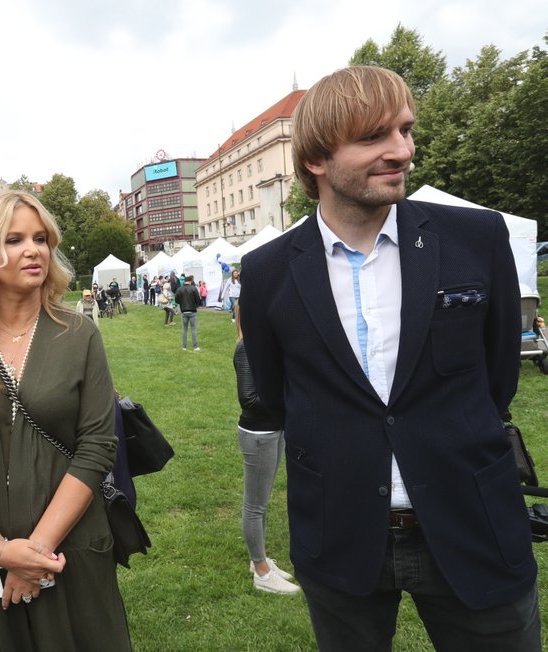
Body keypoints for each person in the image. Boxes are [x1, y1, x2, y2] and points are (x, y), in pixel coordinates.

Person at [240, 66, 539, 650]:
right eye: (375, 137)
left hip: (472, 523)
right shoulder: (268, 271)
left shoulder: (476, 238)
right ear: (317, 161)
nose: (401, 151)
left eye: (405, 130)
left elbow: (499, 375)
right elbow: (277, 396)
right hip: (341, 534)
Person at [0, 189, 131, 651]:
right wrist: (1, 552)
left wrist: (35, 554)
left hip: (70, 552)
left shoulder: (78, 333)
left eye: (40, 239)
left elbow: (97, 446)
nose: (33, 250)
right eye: (15, 239)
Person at [233, 304, 299, 594]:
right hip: (259, 433)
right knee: (255, 504)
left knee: (262, 501)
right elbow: (248, 399)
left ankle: (260, 558)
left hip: (273, 429)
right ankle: (261, 571)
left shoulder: (262, 347)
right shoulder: (247, 348)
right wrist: (289, 399)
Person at [175, 275, 201, 351]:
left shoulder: (179, 289)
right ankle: (195, 346)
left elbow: (176, 300)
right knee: (193, 329)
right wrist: (196, 305)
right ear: (190, 281)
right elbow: (198, 299)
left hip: (183, 311)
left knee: (184, 329)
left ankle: (184, 346)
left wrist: (182, 303)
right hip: (192, 311)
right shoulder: (193, 288)